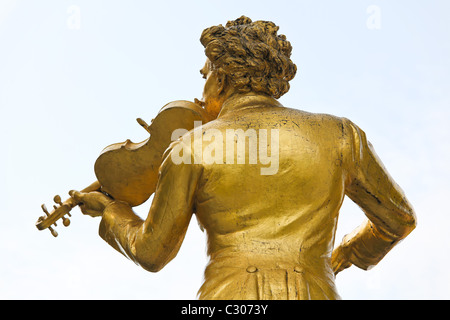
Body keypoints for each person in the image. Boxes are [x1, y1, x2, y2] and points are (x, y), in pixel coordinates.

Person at [69, 16, 416, 300]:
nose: (202, 91)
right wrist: (342, 255)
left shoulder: (191, 147)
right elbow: (399, 220)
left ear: (220, 81)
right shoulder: (341, 134)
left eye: (205, 77)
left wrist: (112, 210)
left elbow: (151, 252)